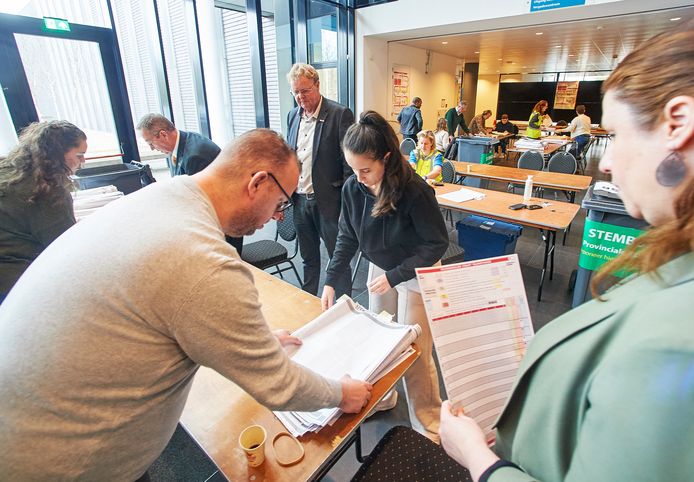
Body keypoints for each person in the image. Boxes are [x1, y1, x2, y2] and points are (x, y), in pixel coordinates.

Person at [363, 27, 693, 482]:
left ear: (678, 123)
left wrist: (481, 462)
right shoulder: (674, 270)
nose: (609, 162)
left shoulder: (676, 341)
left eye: (615, 135)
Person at [0, 129, 372, 481]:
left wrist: (249, 342)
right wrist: (343, 392)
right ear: (256, 183)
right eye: (279, 204)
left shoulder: (164, 197)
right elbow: (280, 386)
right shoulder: (203, 259)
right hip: (57, 461)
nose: (277, 218)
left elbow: (170, 307)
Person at [321, 111, 449, 442]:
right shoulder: (354, 188)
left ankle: (429, 420)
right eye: (353, 169)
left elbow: (436, 243)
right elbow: (347, 237)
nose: (359, 177)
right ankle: (386, 396)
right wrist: (332, 278)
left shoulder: (414, 191)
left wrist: (395, 276)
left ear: (386, 158)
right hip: (383, 268)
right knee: (381, 338)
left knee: (415, 350)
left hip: (417, 269)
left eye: (366, 169)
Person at [286, 63, 353, 298]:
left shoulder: (339, 114)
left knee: (338, 259)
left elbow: (349, 166)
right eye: (296, 92)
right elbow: (290, 158)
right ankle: (309, 303)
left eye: (305, 91)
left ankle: (344, 306)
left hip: (329, 203)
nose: (300, 97)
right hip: (300, 201)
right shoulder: (292, 116)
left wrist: (347, 205)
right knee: (309, 258)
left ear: (317, 85)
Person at [0, 120, 86, 303]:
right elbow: (63, 251)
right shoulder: (48, 192)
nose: (82, 162)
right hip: (16, 282)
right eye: (79, 155)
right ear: (58, 154)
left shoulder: (6, 168)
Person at [137, 113, 244, 255]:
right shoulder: (182, 144)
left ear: (163, 135)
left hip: (223, 224)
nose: (152, 148)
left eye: (150, 143)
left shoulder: (195, 155)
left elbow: (198, 200)